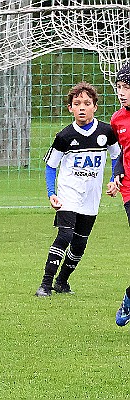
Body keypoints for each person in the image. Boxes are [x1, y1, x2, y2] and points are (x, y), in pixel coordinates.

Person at [35, 81, 120, 297]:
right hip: (68, 194)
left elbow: (117, 156)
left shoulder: (106, 132)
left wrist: (114, 179)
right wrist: (51, 193)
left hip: (91, 196)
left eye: (87, 103)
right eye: (77, 103)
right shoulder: (64, 136)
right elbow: (51, 165)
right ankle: (45, 285)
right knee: (64, 236)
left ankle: (62, 282)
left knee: (80, 244)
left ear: (95, 106)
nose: (82, 107)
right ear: (70, 108)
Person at [110, 63, 130, 326]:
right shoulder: (117, 120)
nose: (123, 93)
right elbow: (118, 155)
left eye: (127, 87)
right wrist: (116, 174)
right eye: (120, 87)